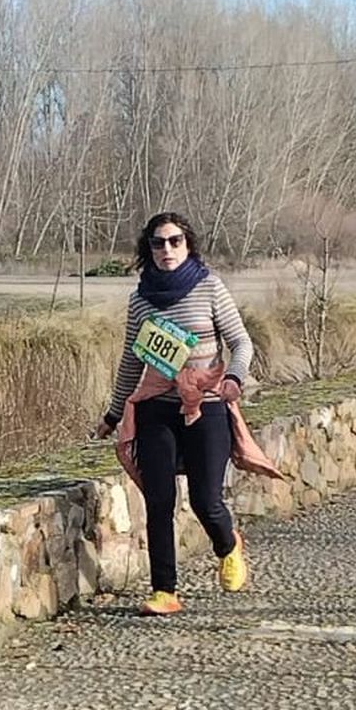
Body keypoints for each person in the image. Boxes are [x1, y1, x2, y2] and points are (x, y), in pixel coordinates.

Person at [94, 211, 278, 616]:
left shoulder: (209, 287)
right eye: (158, 243)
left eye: (175, 241)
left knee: (205, 499)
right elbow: (131, 361)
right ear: (148, 250)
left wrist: (233, 378)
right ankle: (165, 590)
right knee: (159, 499)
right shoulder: (140, 300)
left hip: (207, 407)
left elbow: (241, 343)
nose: (167, 250)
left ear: (188, 244)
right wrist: (112, 414)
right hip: (157, 409)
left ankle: (228, 544)